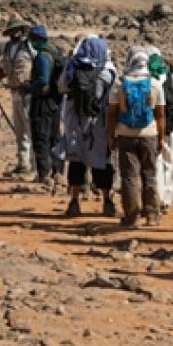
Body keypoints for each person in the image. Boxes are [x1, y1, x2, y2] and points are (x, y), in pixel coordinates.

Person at [59, 34, 119, 217]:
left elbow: (61, 87)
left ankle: (74, 202)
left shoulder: (72, 67)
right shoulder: (108, 71)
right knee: (102, 161)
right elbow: (115, 96)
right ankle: (107, 202)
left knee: (77, 161)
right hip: (99, 124)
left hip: (76, 123)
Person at [107, 47, 167, 227]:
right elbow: (161, 115)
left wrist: (111, 136)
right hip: (149, 134)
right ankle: (152, 215)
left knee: (129, 177)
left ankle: (132, 216)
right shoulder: (155, 83)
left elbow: (111, 114)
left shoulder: (119, 83)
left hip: (125, 135)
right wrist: (161, 138)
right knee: (149, 174)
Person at [0, 17, 35, 178]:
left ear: (22, 30)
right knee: (20, 130)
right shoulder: (8, 47)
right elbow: (5, 69)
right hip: (14, 92)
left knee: (31, 129)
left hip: (28, 92)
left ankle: (36, 167)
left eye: (17, 30)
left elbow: (39, 66)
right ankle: (23, 164)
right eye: (12, 30)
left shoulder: (29, 46)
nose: (15, 33)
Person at [18, 25, 58, 185]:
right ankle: (57, 172)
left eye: (32, 39)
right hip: (56, 101)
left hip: (42, 101)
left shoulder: (42, 56)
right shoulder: (55, 52)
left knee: (41, 136)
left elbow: (43, 80)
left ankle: (44, 174)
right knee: (55, 137)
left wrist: (28, 89)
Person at [148, 47, 173, 215]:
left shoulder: (144, 78)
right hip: (169, 128)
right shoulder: (171, 78)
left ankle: (155, 198)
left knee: (154, 163)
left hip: (150, 128)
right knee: (168, 164)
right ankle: (166, 199)